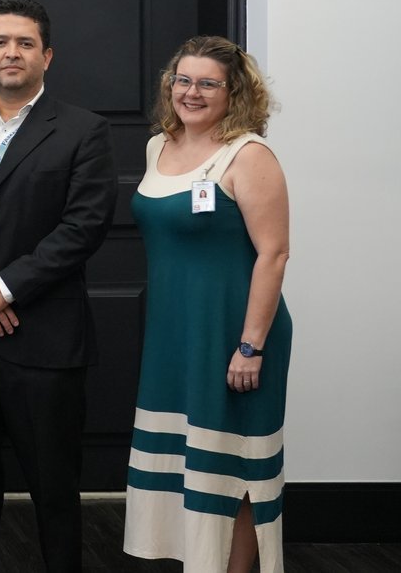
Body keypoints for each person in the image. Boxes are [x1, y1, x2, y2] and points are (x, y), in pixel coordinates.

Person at [0, 0, 118, 573]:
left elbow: (84, 226)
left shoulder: (84, 130)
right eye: (1, 43)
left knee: (54, 489)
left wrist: (6, 287)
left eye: (25, 43)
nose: (13, 52)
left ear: (46, 56)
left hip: (45, 339)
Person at [123, 37, 291, 573]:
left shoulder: (249, 155)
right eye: (183, 80)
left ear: (234, 92)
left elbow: (274, 254)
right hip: (175, 333)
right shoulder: (158, 146)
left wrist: (250, 346)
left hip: (234, 335)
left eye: (207, 84)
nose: (191, 92)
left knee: (236, 466)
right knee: (186, 461)